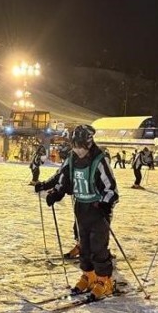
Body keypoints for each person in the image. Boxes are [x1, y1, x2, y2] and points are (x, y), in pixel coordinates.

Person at [45, 125, 119, 300]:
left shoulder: (99, 160)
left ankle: (104, 280)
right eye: (75, 146)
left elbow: (111, 188)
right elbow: (63, 179)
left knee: (98, 247)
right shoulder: (71, 159)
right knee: (84, 245)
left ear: (89, 144)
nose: (78, 151)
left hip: (97, 209)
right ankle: (89, 275)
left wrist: (105, 204)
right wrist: (56, 193)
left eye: (81, 147)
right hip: (81, 207)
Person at [34, 143, 80, 258]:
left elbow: (64, 180)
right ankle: (82, 246)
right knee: (80, 222)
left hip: (91, 196)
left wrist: (56, 193)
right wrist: (44, 185)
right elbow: (58, 176)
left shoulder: (74, 160)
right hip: (80, 195)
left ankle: (97, 251)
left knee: (86, 223)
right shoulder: (68, 160)